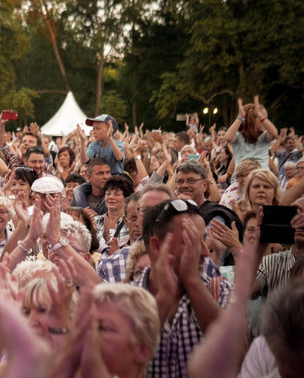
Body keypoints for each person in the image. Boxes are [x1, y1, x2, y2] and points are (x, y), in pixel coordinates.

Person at [137, 199, 233, 377]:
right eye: (189, 241)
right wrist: (164, 297)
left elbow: (238, 354)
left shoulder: (219, 289)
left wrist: (193, 282)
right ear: (157, 246)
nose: (205, 251)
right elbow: (125, 363)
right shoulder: (129, 299)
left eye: (203, 239)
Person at [224, 96, 278, 170]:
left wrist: (260, 115)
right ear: (252, 120)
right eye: (261, 118)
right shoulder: (238, 136)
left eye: (265, 118)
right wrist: (240, 117)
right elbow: (227, 137)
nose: (265, 121)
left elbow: (274, 133)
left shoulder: (264, 136)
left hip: (261, 176)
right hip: (242, 177)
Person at [94, 175, 134, 253]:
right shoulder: (95, 221)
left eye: (117, 194)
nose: (111, 197)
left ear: (126, 198)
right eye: (108, 194)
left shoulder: (130, 223)